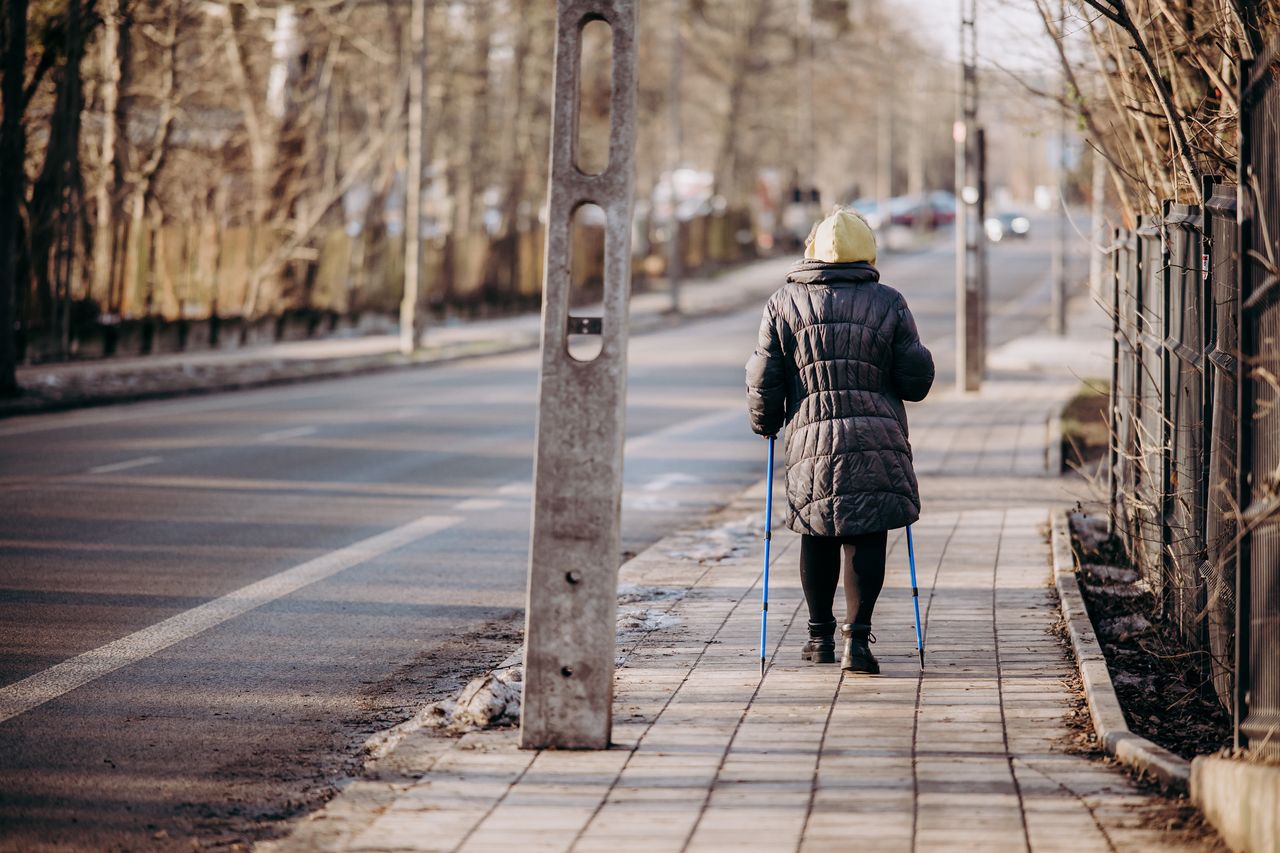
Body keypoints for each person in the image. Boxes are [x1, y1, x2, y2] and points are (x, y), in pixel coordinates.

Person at [745, 208, 934, 673]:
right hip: (877, 438)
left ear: (812, 251)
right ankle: (858, 641)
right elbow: (915, 382)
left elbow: (764, 376)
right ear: (866, 251)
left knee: (818, 530)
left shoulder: (782, 303)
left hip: (811, 439)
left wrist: (765, 421)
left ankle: (820, 639)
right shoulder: (889, 302)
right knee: (868, 532)